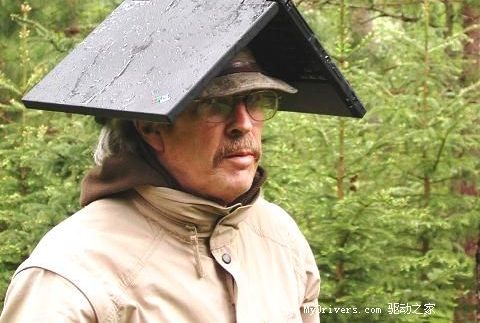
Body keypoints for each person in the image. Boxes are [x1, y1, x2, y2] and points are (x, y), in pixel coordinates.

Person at [0, 49, 320, 322]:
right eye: (215, 104)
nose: (244, 124)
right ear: (152, 128)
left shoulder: (280, 237)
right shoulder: (71, 275)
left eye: (257, 100)